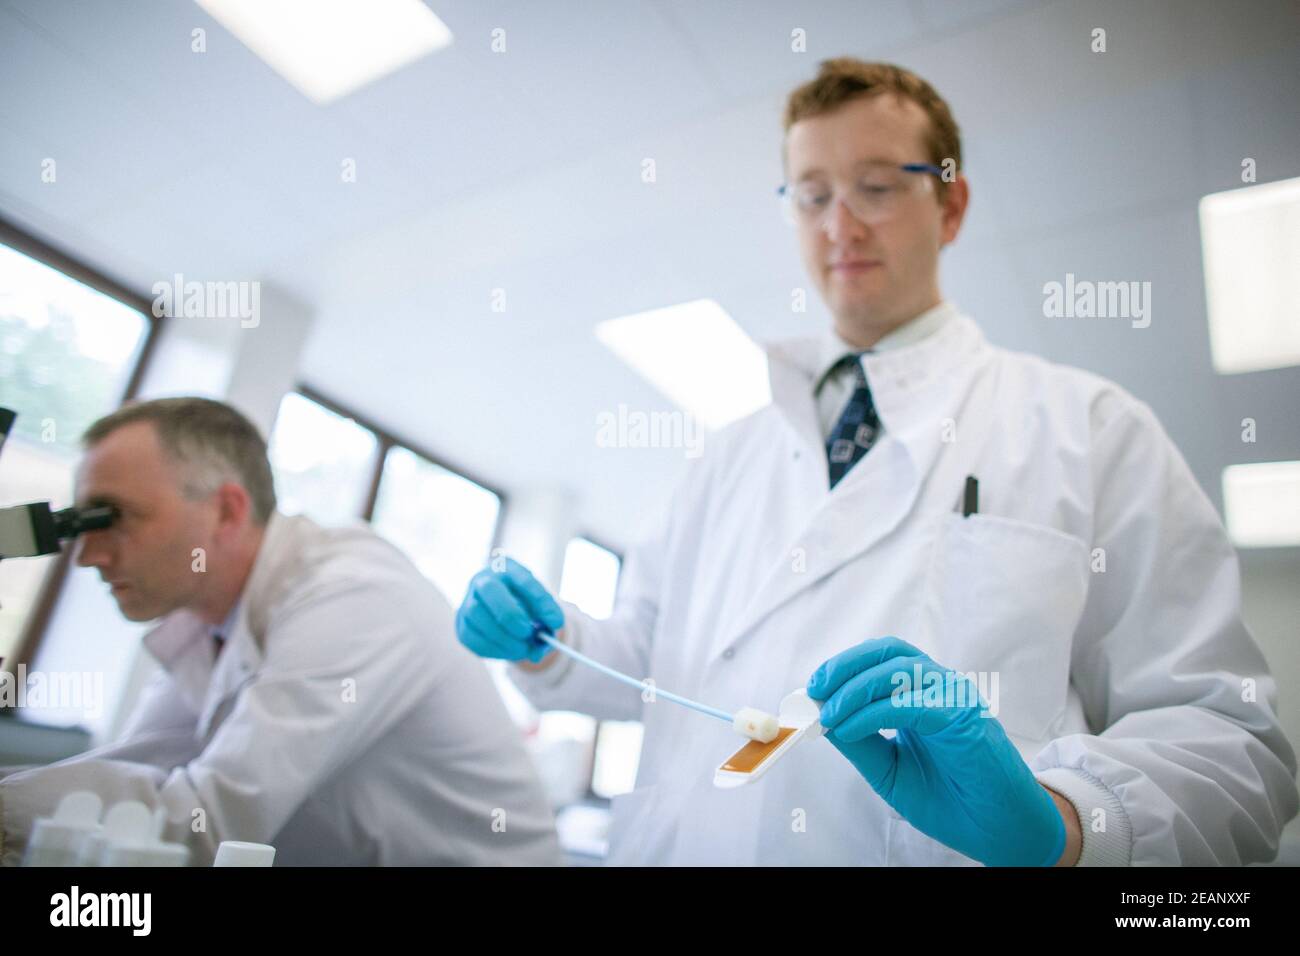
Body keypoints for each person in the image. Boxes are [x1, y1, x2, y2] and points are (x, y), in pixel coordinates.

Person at [456, 58, 1298, 866]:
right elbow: (650, 659)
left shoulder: (1090, 429)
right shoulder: (728, 455)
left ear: (952, 204)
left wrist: (1064, 826)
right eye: (812, 195)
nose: (839, 226)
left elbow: (1231, 740)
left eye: (877, 187)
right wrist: (551, 643)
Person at [0, 397, 561, 866]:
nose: (88, 556)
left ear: (225, 511)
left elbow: (207, 822)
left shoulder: (356, 596)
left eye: (111, 518)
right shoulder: (208, 620)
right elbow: (145, 770)